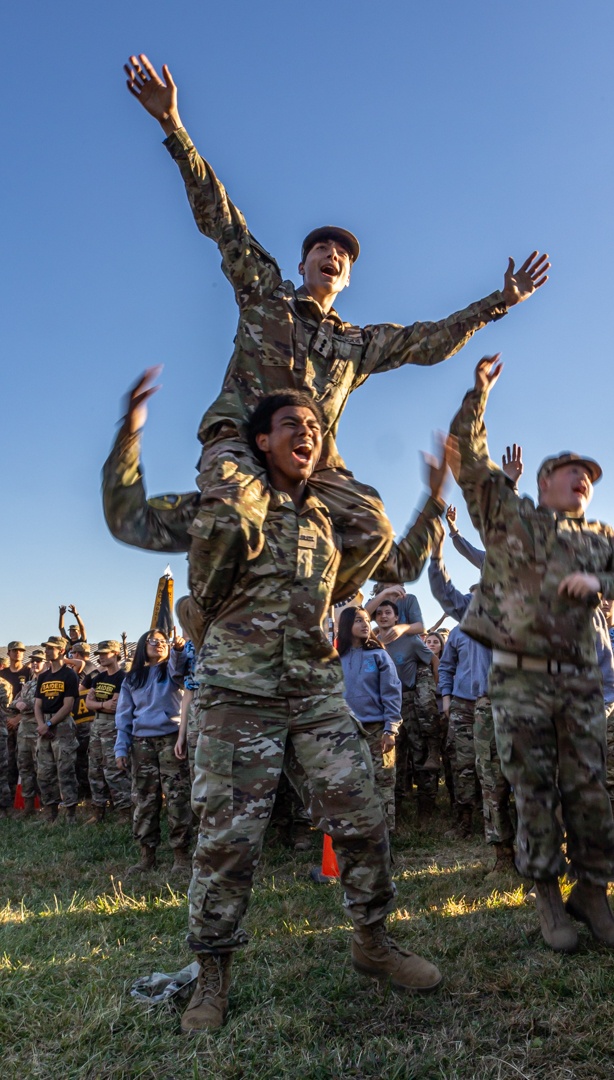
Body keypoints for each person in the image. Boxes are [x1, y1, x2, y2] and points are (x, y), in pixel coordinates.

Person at [123, 54, 549, 642]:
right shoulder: (266, 295)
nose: (332, 255)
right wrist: (174, 126)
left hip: (314, 460)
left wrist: (499, 301)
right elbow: (222, 220)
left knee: (372, 527)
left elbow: (429, 342)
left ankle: (301, 612)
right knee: (232, 508)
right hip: (244, 439)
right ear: (302, 264)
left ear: (346, 277)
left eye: (342, 256)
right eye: (322, 249)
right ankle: (212, 612)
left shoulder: (357, 344)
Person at [103, 370, 449, 1032]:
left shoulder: (324, 517)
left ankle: (373, 941)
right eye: (293, 424)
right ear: (260, 440)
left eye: (316, 429)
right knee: (228, 843)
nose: (308, 434)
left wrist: (433, 501)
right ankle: (212, 973)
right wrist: (131, 436)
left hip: (315, 693)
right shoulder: (230, 504)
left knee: (363, 817)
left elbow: (394, 561)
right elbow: (131, 519)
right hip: (239, 695)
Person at [450, 354, 614, 952]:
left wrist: (602, 584)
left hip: (578, 682)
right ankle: (548, 899)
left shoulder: (599, 541)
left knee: (590, 790)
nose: (583, 480)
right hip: (519, 681)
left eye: (590, 475)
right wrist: (479, 396)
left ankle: (592, 892)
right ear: (543, 484)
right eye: (571, 471)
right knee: (535, 790)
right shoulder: (509, 518)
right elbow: (468, 462)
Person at [429, 533, 515, 871]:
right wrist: (439, 548)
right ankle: (502, 855)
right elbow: (445, 591)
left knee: (532, 781)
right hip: (486, 705)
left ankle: (537, 853)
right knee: (491, 778)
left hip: (529, 705)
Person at [114, 628, 192, 877]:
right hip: (141, 744)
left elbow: (179, 670)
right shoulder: (132, 678)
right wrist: (121, 746)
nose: (158, 645)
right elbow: (124, 715)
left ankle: (181, 856)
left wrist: (178, 650)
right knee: (145, 800)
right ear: (142, 646)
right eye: (152, 641)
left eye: (162, 642)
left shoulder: (171, 670)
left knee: (177, 797)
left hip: (171, 740)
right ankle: (147, 855)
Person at [373, 600, 441, 825]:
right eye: (379, 613)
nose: (383, 616)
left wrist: (435, 690)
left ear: (396, 617)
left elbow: (433, 660)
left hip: (409, 702)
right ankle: (396, 811)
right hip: (383, 707)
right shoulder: (372, 641)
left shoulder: (410, 640)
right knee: (393, 760)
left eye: (388, 613)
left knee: (419, 755)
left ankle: (426, 809)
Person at [337, 607, 402, 831]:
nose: (366, 624)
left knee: (383, 783)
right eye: (358, 621)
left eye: (366, 620)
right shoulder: (336, 659)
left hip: (379, 731)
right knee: (352, 784)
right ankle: (358, 834)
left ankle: (385, 835)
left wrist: (391, 729)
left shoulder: (379, 654)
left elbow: (392, 692)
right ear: (346, 626)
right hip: (347, 731)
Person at [84, 641, 132, 825]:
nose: (101, 657)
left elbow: (117, 706)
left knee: (114, 769)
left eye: (105, 653)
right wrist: (102, 705)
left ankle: (125, 811)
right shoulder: (98, 678)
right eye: (99, 654)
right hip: (96, 726)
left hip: (114, 727)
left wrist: (98, 705)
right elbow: (89, 704)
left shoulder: (123, 678)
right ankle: (98, 811)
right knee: (94, 768)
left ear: (116, 653)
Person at [34, 637, 79, 824]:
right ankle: (50, 813)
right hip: (44, 724)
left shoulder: (69, 675)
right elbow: (37, 704)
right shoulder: (43, 677)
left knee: (65, 769)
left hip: (62, 724)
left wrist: (50, 724)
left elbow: (68, 706)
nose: (47, 651)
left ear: (61, 651)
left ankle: (70, 814)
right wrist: (41, 725)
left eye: (51, 648)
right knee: (44, 772)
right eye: (46, 648)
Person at [12, 649, 47, 816]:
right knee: (25, 767)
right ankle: (28, 806)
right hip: (24, 731)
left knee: (42, 768)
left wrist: (24, 703)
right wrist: (18, 702)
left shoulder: (49, 681)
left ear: (46, 663)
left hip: (39, 730)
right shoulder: (29, 684)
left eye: (38, 660)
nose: (35, 663)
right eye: (33, 660)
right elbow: (14, 701)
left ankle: (47, 805)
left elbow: (48, 702)